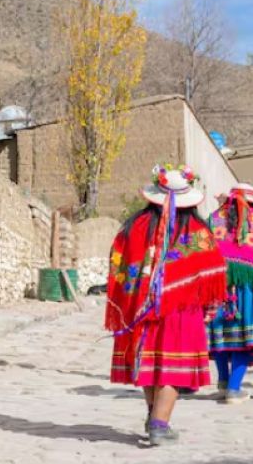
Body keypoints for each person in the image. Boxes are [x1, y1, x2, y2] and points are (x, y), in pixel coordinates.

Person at [105, 164, 227, 445]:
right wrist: (210, 308)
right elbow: (212, 273)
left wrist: (130, 298)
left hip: (141, 311)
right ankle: (159, 424)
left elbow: (117, 264)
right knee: (172, 367)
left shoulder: (133, 228)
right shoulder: (198, 232)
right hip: (183, 312)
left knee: (149, 364)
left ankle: (153, 415)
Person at [208, 183, 253, 403]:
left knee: (221, 333)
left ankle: (224, 383)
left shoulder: (214, 218)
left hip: (217, 283)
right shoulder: (251, 220)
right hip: (247, 286)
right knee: (244, 336)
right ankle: (234, 389)